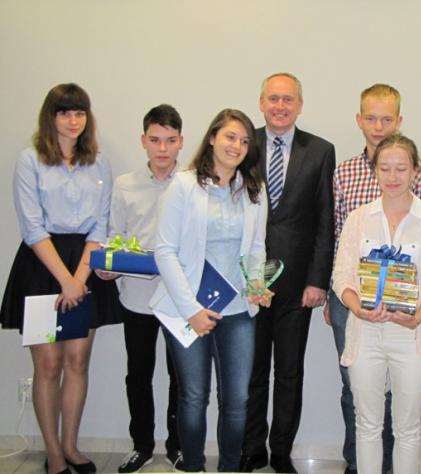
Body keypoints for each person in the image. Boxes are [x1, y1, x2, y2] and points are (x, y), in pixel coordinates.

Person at [0, 83, 120, 474]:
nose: (73, 120)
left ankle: (71, 445)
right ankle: (53, 453)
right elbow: (32, 227)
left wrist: (79, 278)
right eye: (65, 112)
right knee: (49, 365)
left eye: (79, 112)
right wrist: (65, 280)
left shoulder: (98, 162)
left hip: (85, 265)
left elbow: (100, 225)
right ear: (50, 117)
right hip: (42, 266)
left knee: (78, 361)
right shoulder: (30, 160)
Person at [149, 108, 270, 472]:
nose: (237, 146)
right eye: (230, 136)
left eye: (244, 141)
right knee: (193, 397)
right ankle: (194, 467)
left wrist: (257, 284)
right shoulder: (184, 185)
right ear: (213, 137)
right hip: (189, 310)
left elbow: (256, 249)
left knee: (237, 401)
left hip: (237, 311)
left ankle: (229, 468)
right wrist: (191, 310)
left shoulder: (254, 190)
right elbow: (164, 251)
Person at [324, 83, 421, 474]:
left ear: (399, 121)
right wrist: (336, 296)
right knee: (354, 387)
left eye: (387, 119)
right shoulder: (344, 172)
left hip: (405, 304)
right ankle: (359, 464)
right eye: (371, 118)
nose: (378, 126)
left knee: (400, 397)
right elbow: (335, 235)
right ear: (359, 120)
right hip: (352, 299)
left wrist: (417, 306)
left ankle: (390, 465)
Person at [240, 72, 335, 474]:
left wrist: (317, 280)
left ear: (300, 105)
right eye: (273, 98)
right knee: (252, 369)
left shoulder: (321, 150)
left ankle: (280, 450)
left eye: (288, 99)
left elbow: (325, 221)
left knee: (290, 371)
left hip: (298, 285)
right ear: (261, 102)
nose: (280, 106)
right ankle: (251, 448)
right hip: (251, 280)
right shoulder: (243, 144)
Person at [99, 104, 185, 473]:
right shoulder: (125, 185)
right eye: (155, 140)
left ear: (181, 142)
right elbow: (114, 237)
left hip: (178, 299)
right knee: (138, 374)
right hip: (136, 297)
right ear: (143, 141)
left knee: (181, 377)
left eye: (170, 140)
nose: (162, 148)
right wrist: (108, 267)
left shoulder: (192, 184)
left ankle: (178, 447)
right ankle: (142, 445)